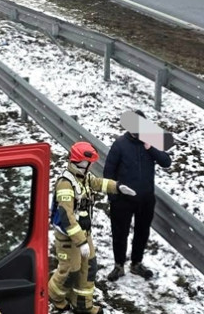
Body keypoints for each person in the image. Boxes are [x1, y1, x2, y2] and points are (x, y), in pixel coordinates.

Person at [49, 141, 135, 314]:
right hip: (69, 238)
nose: (91, 166)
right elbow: (67, 217)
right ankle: (54, 296)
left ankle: (83, 305)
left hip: (83, 234)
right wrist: (81, 243)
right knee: (70, 271)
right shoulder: (66, 184)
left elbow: (98, 183)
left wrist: (117, 187)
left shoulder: (85, 177)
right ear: (80, 161)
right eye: (89, 163)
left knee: (88, 269)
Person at [103, 111, 171, 281]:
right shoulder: (119, 144)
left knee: (142, 232)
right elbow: (108, 172)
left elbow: (166, 162)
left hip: (146, 199)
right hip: (123, 200)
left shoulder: (151, 141)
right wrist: (113, 197)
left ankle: (136, 264)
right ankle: (119, 266)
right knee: (120, 234)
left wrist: (151, 148)